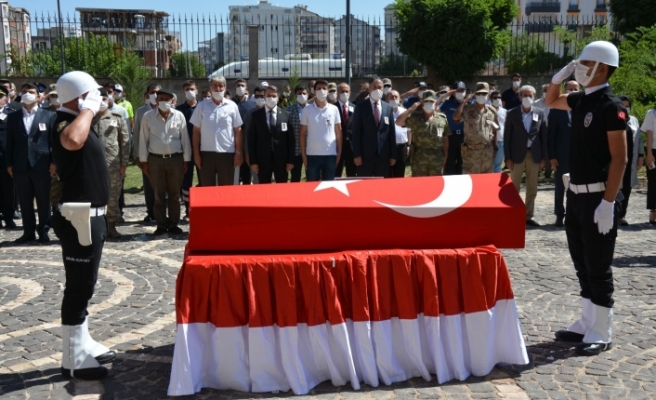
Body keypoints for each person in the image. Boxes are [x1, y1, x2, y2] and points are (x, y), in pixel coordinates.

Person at [547, 41, 628, 356]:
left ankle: (602, 330)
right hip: (577, 196)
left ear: (603, 68)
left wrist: (609, 203)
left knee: (598, 265)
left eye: (585, 63)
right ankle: (586, 321)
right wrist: (559, 76)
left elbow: (619, 158)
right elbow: (551, 100)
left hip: (598, 197)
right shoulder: (581, 100)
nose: (579, 68)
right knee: (581, 262)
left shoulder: (612, 105)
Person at [49, 71, 115, 380]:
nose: (101, 98)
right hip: (80, 218)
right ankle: (73, 358)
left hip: (91, 216)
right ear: (78, 97)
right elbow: (72, 140)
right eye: (94, 93)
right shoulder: (65, 121)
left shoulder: (79, 118)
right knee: (79, 287)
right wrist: (88, 108)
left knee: (85, 284)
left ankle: (83, 341)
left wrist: (90, 110)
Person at [6, 83, 56, 243]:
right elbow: (9, 142)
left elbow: (53, 142)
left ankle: (43, 231)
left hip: (42, 164)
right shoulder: (13, 117)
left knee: (43, 200)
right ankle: (28, 232)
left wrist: (54, 162)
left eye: (31, 92)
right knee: (25, 201)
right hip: (20, 165)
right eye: (25, 91)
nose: (28, 94)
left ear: (38, 96)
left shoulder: (48, 115)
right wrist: (9, 163)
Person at [140, 89, 191, 235]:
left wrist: (186, 160)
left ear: (173, 101)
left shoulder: (179, 116)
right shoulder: (148, 117)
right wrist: (144, 162)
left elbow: (185, 140)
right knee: (158, 194)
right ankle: (161, 225)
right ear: (156, 100)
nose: (164, 102)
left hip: (176, 159)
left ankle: (173, 224)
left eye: (167, 99)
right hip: (155, 160)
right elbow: (143, 139)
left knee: (175, 194)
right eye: (161, 98)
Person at [504, 85, 547, 227]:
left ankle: (528, 216)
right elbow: (507, 137)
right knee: (514, 187)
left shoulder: (540, 113)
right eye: (525, 95)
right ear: (520, 97)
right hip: (516, 155)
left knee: (532, 187)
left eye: (531, 95)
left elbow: (543, 136)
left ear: (534, 97)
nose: (528, 98)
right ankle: (513, 214)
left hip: (534, 155)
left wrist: (543, 158)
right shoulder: (512, 113)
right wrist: (508, 157)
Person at [191, 76, 244, 186]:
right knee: (207, 187)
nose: (218, 88)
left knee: (226, 188)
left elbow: (238, 130)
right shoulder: (201, 106)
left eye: (221, 86)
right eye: (215, 85)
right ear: (210, 87)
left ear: (225, 88)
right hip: (206, 154)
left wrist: (238, 152)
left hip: (227, 153)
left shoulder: (232, 106)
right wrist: (196, 153)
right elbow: (196, 131)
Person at [396, 90, 451, 176]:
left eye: (431, 101)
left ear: (436, 103)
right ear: (422, 103)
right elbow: (398, 122)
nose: (429, 103)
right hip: (419, 155)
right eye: (426, 101)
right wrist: (411, 109)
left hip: (437, 156)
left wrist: (446, 155)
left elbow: (445, 138)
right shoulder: (415, 117)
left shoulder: (442, 118)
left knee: (435, 183)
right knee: (419, 184)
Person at [548, 79, 580, 227]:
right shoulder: (556, 111)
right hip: (561, 156)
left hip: (580, 155)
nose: (573, 92)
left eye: (576, 89)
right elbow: (551, 134)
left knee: (578, 187)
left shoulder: (582, 109)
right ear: (565, 91)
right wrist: (552, 156)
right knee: (560, 187)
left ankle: (575, 215)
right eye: (570, 89)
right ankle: (559, 215)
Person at [247, 85, 293, 184]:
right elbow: (251, 140)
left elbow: (290, 140)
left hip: (282, 160)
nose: (271, 98)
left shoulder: (286, 115)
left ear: (278, 97)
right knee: (264, 188)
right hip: (262, 160)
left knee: (281, 188)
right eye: (268, 96)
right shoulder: (255, 115)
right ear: (264, 97)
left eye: (273, 96)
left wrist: (290, 160)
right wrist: (253, 161)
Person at [351, 78, 396, 177]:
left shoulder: (388, 108)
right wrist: (357, 154)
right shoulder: (360, 107)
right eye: (374, 87)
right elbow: (356, 132)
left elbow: (391, 132)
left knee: (382, 187)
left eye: (379, 87)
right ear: (369, 89)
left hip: (383, 155)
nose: (377, 90)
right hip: (365, 156)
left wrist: (393, 154)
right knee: (365, 186)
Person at [300, 80, 342, 181]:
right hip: (312, 155)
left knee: (328, 187)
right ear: (314, 92)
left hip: (330, 155)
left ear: (328, 91)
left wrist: (339, 152)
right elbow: (302, 133)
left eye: (324, 88)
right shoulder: (307, 109)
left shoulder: (334, 109)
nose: (321, 91)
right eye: (318, 88)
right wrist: (304, 155)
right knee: (312, 187)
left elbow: (339, 132)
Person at [454, 82, 499, 174]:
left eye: (484, 94)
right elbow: (455, 117)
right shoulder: (467, 109)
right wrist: (464, 101)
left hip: (487, 152)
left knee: (486, 181)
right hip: (471, 153)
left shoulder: (492, 111)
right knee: (470, 181)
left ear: (488, 95)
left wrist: (495, 148)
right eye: (479, 94)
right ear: (474, 94)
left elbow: (495, 130)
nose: (481, 96)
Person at [133, 83, 160, 222]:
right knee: (149, 184)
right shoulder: (140, 111)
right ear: (147, 95)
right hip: (146, 154)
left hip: (161, 153)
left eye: (158, 92)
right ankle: (151, 212)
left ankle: (161, 211)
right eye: (153, 92)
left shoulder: (168, 110)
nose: (155, 95)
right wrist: (137, 154)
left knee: (162, 185)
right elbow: (136, 133)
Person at [176, 80, 199, 219]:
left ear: (197, 91)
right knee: (186, 180)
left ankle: (200, 207)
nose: (190, 91)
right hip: (185, 150)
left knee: (204, 180)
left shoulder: (203, 107)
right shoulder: (179, 110)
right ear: (183, 92)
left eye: (192, 88)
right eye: (187, 89)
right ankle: (187, 209)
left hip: (202, 150)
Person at [440, 81, 466, 175]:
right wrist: (446, 95)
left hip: (464, 136)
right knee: (450, 163)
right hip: (450, 136)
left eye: (462, 90)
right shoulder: (448, 103)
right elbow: (434, 107)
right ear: (454, 92)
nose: (460, 92)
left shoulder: (469, 103)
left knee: (462, 163)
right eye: (458, 90)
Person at [233, 79, 255, 185]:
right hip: (233, 143)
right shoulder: (230, 104)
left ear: (246, 88)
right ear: (234, 88)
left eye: (242, 85)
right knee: (235, 173)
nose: (240, 87)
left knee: (247, 171)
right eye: (238, 85)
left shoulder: (252, 104)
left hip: (248, 143)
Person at [0, 86, 17, 229]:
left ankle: (9, 216)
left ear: (5, 100)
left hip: (5, 158)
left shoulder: (11, 115)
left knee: (8, 189)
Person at [286, 86, 309, 182]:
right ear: (295, 95)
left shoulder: (313, 109)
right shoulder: (288, 110)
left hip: (310, 149)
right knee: (295, 177)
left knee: (312, 177)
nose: (302, 95)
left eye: (304, 93)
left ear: (307, 95)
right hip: (295, 150)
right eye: (299, 93)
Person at [334, 82, 356, 178]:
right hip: (337, 145)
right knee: (336, 172)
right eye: (342, 91)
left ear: (350, 92)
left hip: (351, 146)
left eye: (346, 91)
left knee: (351, 173)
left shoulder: (355, 108)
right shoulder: (332, 108)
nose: (344, 93)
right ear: (338, 93)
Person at [387, 90, 409, 178]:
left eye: (396, 97)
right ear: (387, 99)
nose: (394, 98)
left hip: (401, 147)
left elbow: (409, 130)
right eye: (392, 97)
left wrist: (408, 145)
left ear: (400, 99)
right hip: (387, 147)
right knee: (388, 172)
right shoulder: (384, 111)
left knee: (400, 172)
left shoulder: (404, 111)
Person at [640, 105, 656, 224]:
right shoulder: (652, 113)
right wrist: (649, 153)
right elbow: (649, 134)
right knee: (653, 181)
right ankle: (653, 211)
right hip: (654, 150)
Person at [490, 91, 507, 173]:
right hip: (489, 141)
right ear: (490, 99)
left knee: (498, 165)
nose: (497, 99)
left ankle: (496, 184)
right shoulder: (487, 110)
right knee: (489, 164)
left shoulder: (504, 112)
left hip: (501, 141)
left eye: (499, 98)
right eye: (495, 98)